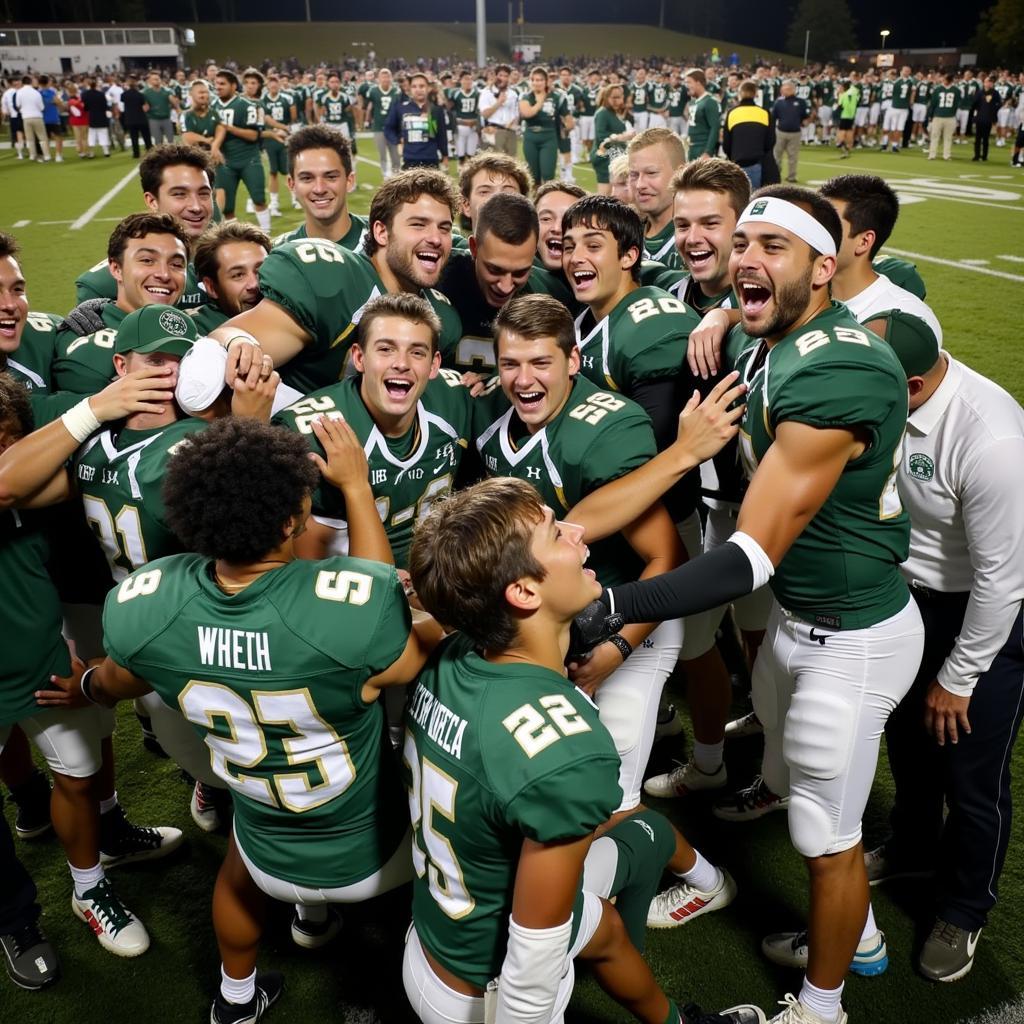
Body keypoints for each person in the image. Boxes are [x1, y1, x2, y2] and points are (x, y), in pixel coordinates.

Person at [578, 187, 924, 1024]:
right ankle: (863, 939)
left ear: (826, 263)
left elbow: (748, 558)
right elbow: (752, 313)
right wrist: (724, 319)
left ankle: (821, 1006)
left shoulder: (838, 365)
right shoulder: (779, 331)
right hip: (800, 622)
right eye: (742, 244)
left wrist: (608, 602)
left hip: (855, 634)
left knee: (822, 837)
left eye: (773, 245)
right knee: (780, 775)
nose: (744, 261)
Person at [71, 415, 441, 1024]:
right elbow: (388, 621)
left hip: (265, 843)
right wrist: (355, 488)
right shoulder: (343, 607)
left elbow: (117, 679)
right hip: (376, 855)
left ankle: (235, 999)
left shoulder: (149, 601)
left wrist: (85, 683)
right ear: (293, 518)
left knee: (236, 871)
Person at [402, 474, 764, 1024]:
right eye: (555, 533)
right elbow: (531, 960)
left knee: (639, 854)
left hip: (434, 930)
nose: (578, 533)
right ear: (524, 592)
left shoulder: (455, 656)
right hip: (486, 990)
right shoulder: (567, 751)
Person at [859, 311, 1024, 983]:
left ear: (917, 384)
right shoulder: (888, 397)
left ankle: (964, 906)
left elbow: (1003, 579)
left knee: (972, 776)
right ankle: (913, 844)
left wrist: (959, 675)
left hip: (987, 614)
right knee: (906, 738)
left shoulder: (990, 438)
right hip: (913, 597)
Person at [210, 169, 462, 394]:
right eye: (418, 225)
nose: (436, 239)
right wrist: (236, 339)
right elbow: (213, 362)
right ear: (381, 232)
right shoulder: (335, 280)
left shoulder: (441, 316)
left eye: (444, 228)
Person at [436, 192, 570, 374]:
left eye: (520, 273)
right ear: (474, 248)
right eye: (495, 270)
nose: (505, 286)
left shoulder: (554, 294)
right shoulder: (437, 280)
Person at [74, 147, 214, 310]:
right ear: (152, 201)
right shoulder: (102, 284)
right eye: (179, 194)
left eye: (203, 193)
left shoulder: (227, 262)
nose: (196, 206)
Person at [273, 126, 366, 251]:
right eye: (307, 178)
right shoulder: (280, 253)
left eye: (331, 177)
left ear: (349, 181)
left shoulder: (384, 238)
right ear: (292, 184)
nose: (319, 189)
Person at [210, 69, 271, 232]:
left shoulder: (247, 106)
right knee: (228, 208)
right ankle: (233, 240)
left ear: (233, 85)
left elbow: (253, 135)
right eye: (216, 84)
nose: (218, 87)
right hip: (224, 162)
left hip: (248, 159)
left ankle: (267, 235)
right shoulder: (211, 107)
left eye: (222, 84)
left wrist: (228, 128)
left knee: (259, 199)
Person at [627, 128, 686, 268]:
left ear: (680, 173)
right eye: (634, 175)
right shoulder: (625, 233)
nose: (640, 185)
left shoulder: (694, 240)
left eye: (651, 173)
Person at [384, 72, 449, 171]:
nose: (418, 89)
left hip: (431, 159)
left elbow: (441, 135)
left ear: (428, 88)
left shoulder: (436, 110)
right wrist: (397, 141)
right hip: (409, 159)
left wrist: (445, 155)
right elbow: (388, 128)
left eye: (422, 86)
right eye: (414, 86)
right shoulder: (401, 108)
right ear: (410, 89)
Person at [517, 66, 568, 186]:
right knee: (533, 176)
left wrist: (567, 125)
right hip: (530, 136)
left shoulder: (556, 96)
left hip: (549, 136)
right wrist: (540, 101)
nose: (536, 82)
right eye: (533, 80)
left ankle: (547, 201)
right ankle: (535, 202)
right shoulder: (525, 96)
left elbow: (567, 118)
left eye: (539, 80)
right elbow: (527, 113)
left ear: (546, 81)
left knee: (548, 174)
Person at [723, 81, 773, 188]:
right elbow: (770, 142)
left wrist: (732, 156)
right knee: (753, 199)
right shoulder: (764, 113)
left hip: (736, 163)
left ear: (739, 93)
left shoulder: (732, 113)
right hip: (757, 163)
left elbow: (726, 143)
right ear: (755, 94)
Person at [592, 84, 634, 195]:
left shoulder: (615, 113)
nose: (616, 100)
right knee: (604, 197)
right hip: (605, 158)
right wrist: (622, 137)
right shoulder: (602, 113)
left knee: (616, 196)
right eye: (613, 97)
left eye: (619, 97)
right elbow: (602, 137)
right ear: (606, 98)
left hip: (616, 157)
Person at [365, 67, 402, 178]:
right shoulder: (373, 91)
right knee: (382, 153)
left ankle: (396, 174)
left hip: (394, 128)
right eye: (383, 76)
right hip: (379, 126)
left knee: (395, 154)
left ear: (391, 78)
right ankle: (385, 175)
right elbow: (370, 106)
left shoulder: (397, 91)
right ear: (378, 78)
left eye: (387, 76)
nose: (385, 79)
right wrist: (367, 120)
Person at [477, 63, 519, 156]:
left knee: (511, 165)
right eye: (500, 75)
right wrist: (498, 103)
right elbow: (485, 114)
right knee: (494, 166)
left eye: (506, 76)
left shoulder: (513, 94)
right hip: (493, 130)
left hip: (510, 132)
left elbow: (516, 114)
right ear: (496, 76)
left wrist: (514, 124)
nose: (503, 78)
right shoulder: (486, 92)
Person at [771, 81, 807, 182]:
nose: (783, 91)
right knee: (777, 156)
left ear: (793, 90)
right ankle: (776, 175)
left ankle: (792, 176)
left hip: (795, 132)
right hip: (781, 132)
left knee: (793, 156)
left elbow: (804, 116)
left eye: (786, 89)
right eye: (783, 89)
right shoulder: (779, 102)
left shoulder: (800, 102)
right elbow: (773, 117)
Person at [685, 69, 721, 160]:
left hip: (702, 149)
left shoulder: (709, 101)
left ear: (698, 82)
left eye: (689, 82)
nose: (686, 86)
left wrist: (708, 152)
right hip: (692, 148)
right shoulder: (693, 101)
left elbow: (715, 127)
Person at [14, 75, 48, 162]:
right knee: (42, 137)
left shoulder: (19, 92)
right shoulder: (36, 92)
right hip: (37, 116)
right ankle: (46, 155)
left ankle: (32, 155)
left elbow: (18, 105)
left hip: (26, 117)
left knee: (30, 138)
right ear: (30, 82)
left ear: (22, 82)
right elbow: (42, 107)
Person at [927, 73, 959, 161]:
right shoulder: (938, 89)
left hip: (950, 116)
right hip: (938, 116)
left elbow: (957, 104)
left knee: (948, 137)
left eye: (945, 79)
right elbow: (933, 104)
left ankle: (946, 155)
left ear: (949, 81)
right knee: (934, 136)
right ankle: (932, 154)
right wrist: (930, 116)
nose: (943, 81)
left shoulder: (956, 90)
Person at [142, 70, 177, 146]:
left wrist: (174, 103)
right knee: (158, 141)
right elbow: (144, 106)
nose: (157, 81)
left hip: (166, 118)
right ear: (150, 81)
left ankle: (173, 156)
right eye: (154, 79)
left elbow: (174, 103)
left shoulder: (166, 91)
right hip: (154, 119)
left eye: (158, 79)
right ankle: (160, 156)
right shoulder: (146, 93)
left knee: (171, 140)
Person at [121, 78, 152, 158]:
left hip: (130, 119)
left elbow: (122, 102)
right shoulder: (140, 95)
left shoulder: (124, 95)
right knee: (146, 137)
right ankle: (150, 151)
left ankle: (136, 154)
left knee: (134, 137)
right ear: (136, 86)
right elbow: (144, 107)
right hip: (141, 118)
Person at [971, 78, 1000, 162]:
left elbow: (998, 104)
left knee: (986, 138)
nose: (989, 83)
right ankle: (976, 155)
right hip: (980, 118)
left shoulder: (995, 93)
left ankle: (984, 155)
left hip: (988, 118)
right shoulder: (979, 92)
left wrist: (993, 112)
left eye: (990, 82)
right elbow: (974, 104)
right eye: (987, 82)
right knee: (978, 138)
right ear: (984, 83)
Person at [37, 75, 64, 163]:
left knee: (45, 139)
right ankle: (58, 156)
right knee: (58, 137)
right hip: (53, 118)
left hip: (42, 118)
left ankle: (46, 155)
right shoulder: (51, 92)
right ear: (48, 82)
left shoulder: (38, 93)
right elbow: (59, 103)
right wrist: (61, 107)